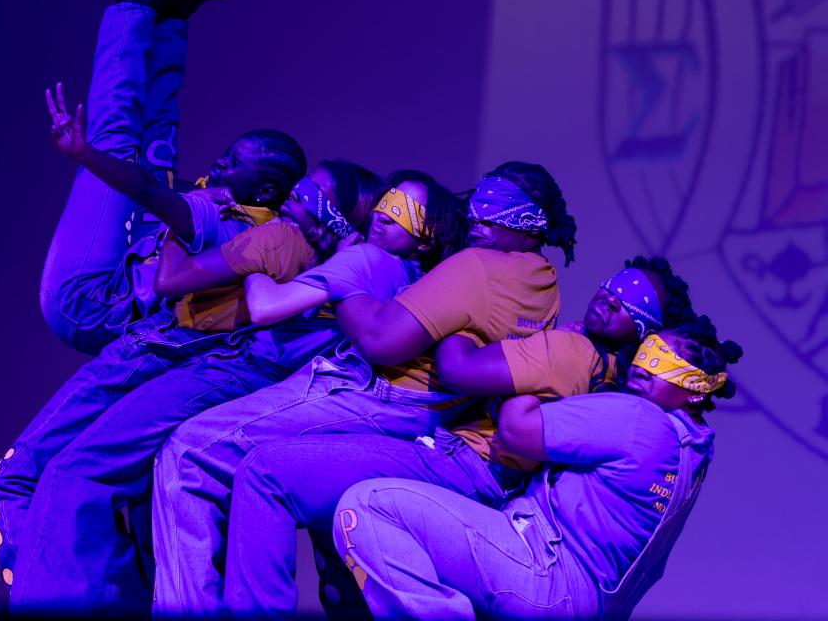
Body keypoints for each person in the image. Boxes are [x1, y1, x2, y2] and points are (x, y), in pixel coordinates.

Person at [151, 162, 575, 616]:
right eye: (478, 209)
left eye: (497, 212)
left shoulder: (467, 265)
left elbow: (376, 340)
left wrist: (326, 277)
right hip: (437, 420)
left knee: (192, 455)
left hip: (383, 396)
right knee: (318, 517)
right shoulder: (544, 286)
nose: (480, 219)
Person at [0, 158, 377, 602]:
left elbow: (174, 276)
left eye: (309, 194)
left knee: (60, 474)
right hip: (195, 354)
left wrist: (94, 157)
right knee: (67, 480)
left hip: (181, 352)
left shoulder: (283, 237)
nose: (295, 194)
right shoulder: (327, 257)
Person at [219, 256, 697, 617]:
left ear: (646, 328)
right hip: (482, 477)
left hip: (463, 465)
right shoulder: (607, 377)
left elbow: (456, 368)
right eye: (611, 286)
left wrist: (463, 314)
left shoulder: (572, 349)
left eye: (631, 300)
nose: (611, 295)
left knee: (267, 474)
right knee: (337, 511)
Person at [332, 315, 741, 620]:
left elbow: (515, 429)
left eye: (671, 359)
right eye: (650, 349)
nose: (648, 362)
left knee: (367, 505)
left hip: (545, 575)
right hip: (587, 603)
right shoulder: (695, 453)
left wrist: (545, 356)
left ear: (697, 389)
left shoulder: (637, 418)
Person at [39, 0, 306, 355]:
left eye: (233, 164)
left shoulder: (230, 223)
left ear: (265, 191)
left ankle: (131, 6)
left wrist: (84, 153)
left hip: (88, 302)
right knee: (158, 144)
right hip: (127, 275)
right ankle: (171, 17)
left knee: (116, 145)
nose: (218, 163)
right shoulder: (234, 202)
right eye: (226, 155)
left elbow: (146, 190)